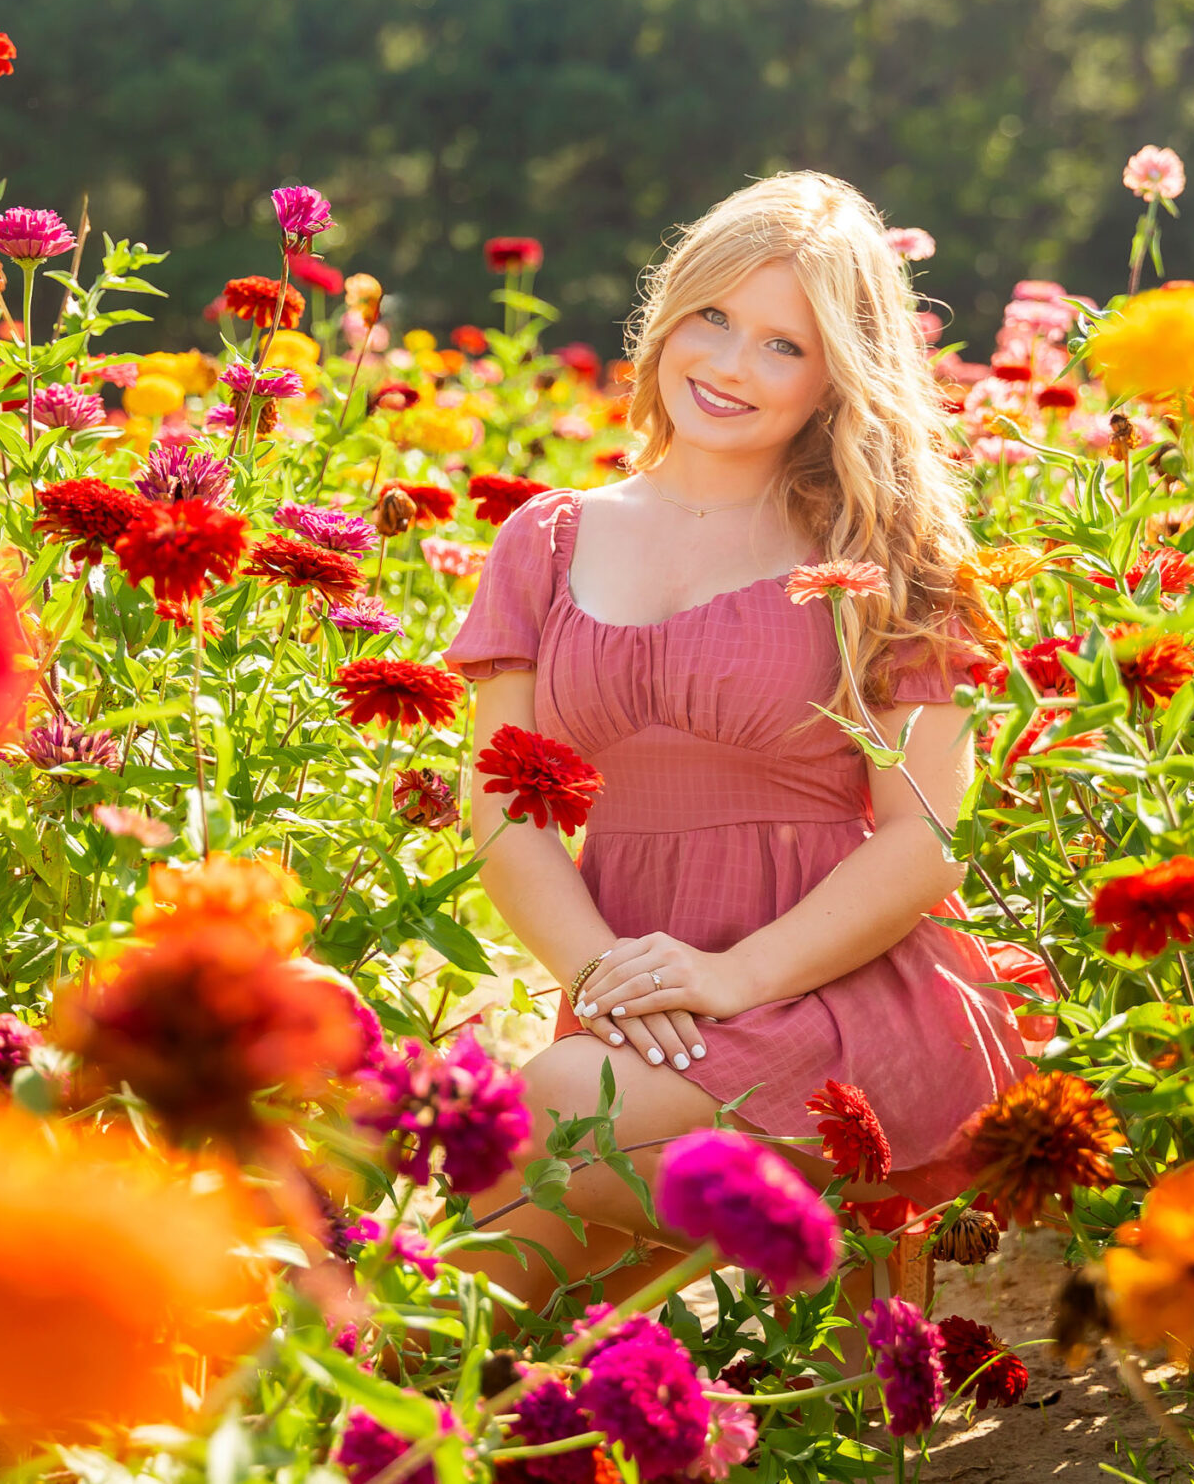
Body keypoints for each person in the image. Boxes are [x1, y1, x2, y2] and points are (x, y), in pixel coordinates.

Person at [444, 172, 1044, 1312]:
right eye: (713, 317)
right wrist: (605, 982)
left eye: (783, 345)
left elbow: (922, 842)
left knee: (549, 1119)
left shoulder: (888, 552)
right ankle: (842, 1262)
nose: (727, 366)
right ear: (667, 314)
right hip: (639, 1002)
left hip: (834, 982)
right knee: (498, 1322)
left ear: (833, 379)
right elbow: (507, 815)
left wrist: (730, 978)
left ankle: (845, 1250)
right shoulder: (548, 538)